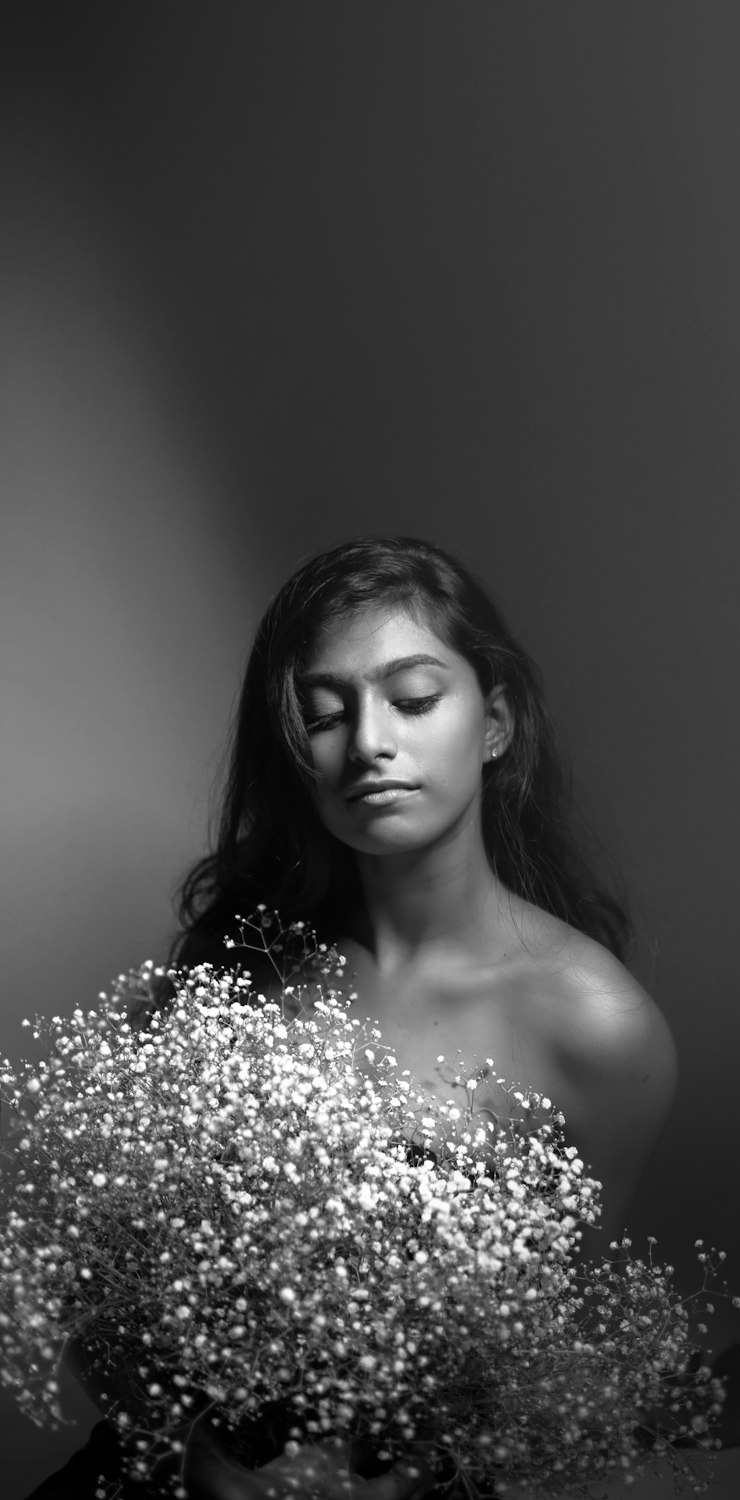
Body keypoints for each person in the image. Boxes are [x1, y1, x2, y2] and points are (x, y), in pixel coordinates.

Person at [23, 537, 676, 1500]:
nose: (370, 742)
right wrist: (190, 1456)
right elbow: (105, 1310)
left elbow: (533, 1374)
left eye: (413, 701)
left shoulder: (598, 1030)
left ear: (493, 724)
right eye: (325, 715)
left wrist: (388, 1477)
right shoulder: (241, 974)